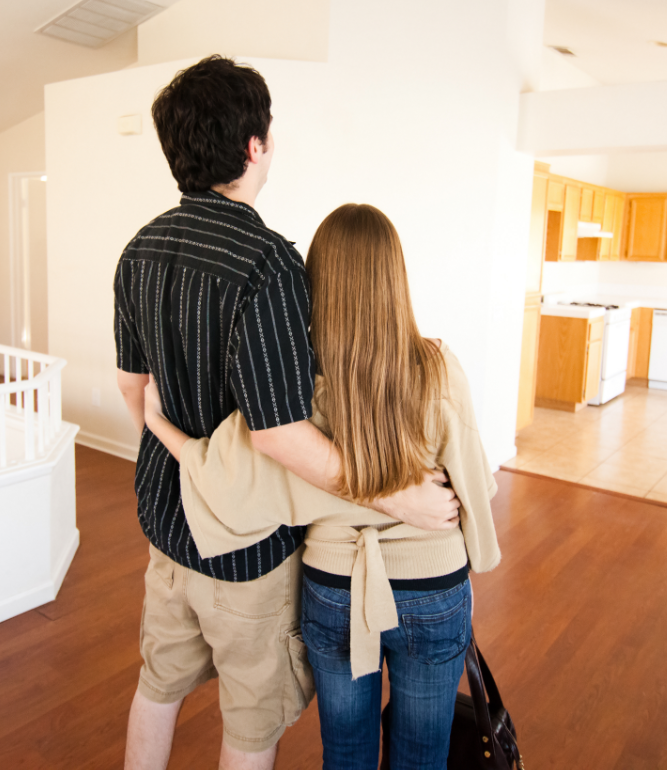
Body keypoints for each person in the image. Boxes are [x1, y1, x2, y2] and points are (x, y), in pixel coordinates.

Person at [113, 57, 460, 770]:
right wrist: (403, 497)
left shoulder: (138, 251)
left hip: (164, 528)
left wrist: (169, 435)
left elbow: (133, 389)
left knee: (157, 685)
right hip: (243, 550)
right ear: (253, 147)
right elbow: (278, 434)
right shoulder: (267, 265)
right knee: (251, 720)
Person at [142, 203, 502, 770]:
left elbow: (221, 474)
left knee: (347, 753)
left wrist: (158, 422)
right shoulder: (438, 368)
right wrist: (471, 539)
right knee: (422, 756)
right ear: (395, 278)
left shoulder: (296, 388)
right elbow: (477, 487)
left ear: (317, 283)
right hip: (434, 590)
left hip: (333, 589)